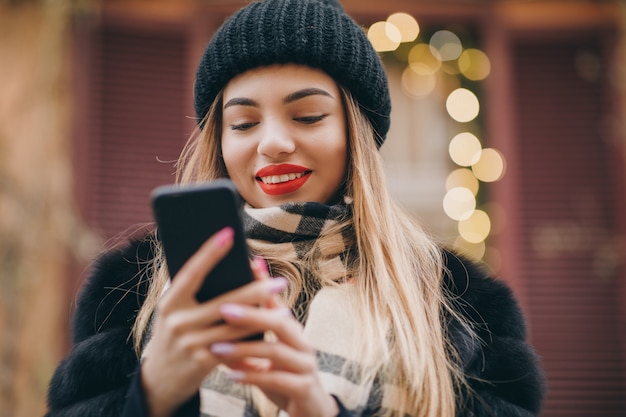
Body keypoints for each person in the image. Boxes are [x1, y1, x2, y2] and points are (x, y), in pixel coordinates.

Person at [45, 0, 546, 416]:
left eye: (307, 116)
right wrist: (151, 396)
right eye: (243, 124)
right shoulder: (129, 291)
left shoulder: (456, 302)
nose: (274, 143)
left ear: (356, 135)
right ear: (219, 142)